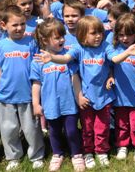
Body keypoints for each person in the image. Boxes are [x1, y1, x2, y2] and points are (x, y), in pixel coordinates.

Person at [0, 6, 45, 170]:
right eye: (14, 25)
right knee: (9, 129)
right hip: (6, 95)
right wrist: (1, 90)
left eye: (22, 24)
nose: (19, 28)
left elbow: (38, 66)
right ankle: (13, 156)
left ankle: (36, 155)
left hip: (28, 94)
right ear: (3, 25)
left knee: (32, 128)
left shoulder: (32, 42)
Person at [31, 18, 85, 172]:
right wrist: (36, 103)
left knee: (72, 130)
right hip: (50, 104)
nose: (62, 39)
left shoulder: (67, 57)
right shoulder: (37, 61)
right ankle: (57, 154)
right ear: (44, 40)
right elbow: (36, 84)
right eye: (57, 37)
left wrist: (79, 96)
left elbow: (74, 78)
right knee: (53, 131)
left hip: (69, 103)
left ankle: (76, 154)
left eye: (63, 36)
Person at [109, 13, 135, 162]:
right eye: (121, 35)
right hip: (120, 96)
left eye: (129, 34)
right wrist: (110, 76)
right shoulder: (115, 49)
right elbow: (112, 64)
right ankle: (122, 145)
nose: (125, 38)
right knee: (121, 123)